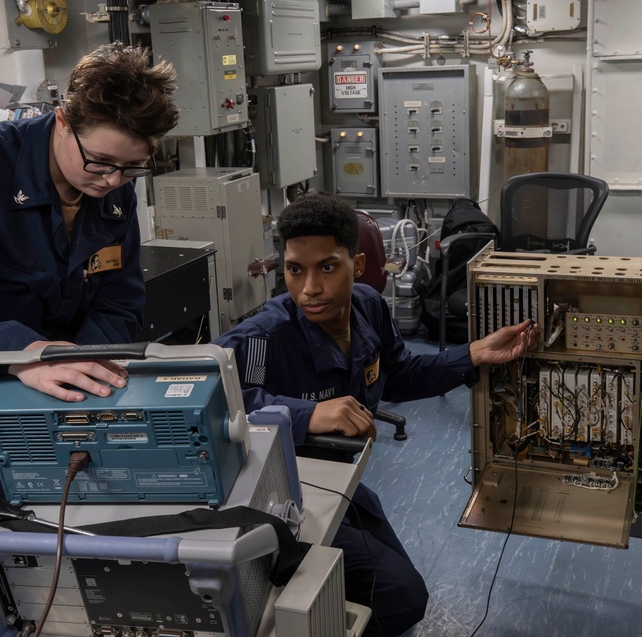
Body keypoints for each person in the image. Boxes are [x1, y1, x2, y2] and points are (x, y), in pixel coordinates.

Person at [212, 192, 536, 636]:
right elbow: (210, 397)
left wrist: (473, 353)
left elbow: (398, 375)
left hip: (338, 487)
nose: (309, 288)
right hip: (279, 501)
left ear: (358, 264)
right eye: (294, 270)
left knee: (396, 582)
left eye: (327, 267)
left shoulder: (367, 306)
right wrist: (305, 414)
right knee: (402, 596)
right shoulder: (263, 337)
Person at [0, 43, 180, 518]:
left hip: (70, 394)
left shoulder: (114, 187)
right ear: (62, 120)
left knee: (89, 528)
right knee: (8, 543)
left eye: (131, 168)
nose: (111, 181)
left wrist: (83, 368)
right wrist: (25, 353)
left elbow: (119, 300)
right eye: (100, 161)